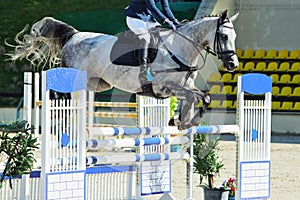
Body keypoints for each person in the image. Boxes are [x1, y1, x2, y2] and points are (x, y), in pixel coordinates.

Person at [124, 0, 180, 92]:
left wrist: (174, 21)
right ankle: (143, 70)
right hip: (134, 17)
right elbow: (152, 7)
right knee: (146, 37)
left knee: (161, 34)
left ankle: (157, 63)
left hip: (148, 17)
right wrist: (165, 20)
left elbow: (165, 7)